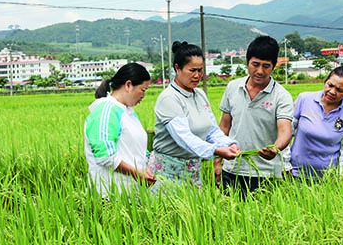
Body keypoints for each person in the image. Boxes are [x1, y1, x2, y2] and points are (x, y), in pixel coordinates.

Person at [147, 41, 239, 192]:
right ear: (177, 68)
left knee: (194, 213)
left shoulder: (200, 95)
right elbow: (185, 138)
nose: (197, 75)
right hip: (167, 173)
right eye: (192, 70)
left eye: (201, 70)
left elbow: (211, 131)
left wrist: (229, 144)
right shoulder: (169, 98)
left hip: (193, 172)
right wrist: (216, 150)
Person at [216, 35, 294, 195]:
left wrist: (275, 148)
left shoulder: (281, 95)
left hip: (266, 174)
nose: (259, 71)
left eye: (266, 66)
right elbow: (224, 127)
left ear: (274, 65)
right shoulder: (232, 87)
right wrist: (217, 161)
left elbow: (285, 131)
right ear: (247, 61)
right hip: (232, 169)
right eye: (255, 64)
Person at [84, 62, 156, 197]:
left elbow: (136, 147)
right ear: (128, 85)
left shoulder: (129, 112)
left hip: (131, 194)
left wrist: (145, 167)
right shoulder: (106, 110)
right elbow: (105, 156)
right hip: (109, 194)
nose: (143, 96)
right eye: (143, 90)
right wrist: (137, 174)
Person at [289, 65, 343, 180]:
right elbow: (287, 132)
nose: (332, 92)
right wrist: (284, 165)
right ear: (325, 81)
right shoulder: (304, 99)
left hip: (328, 178)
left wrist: (342, 175)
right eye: (330, 85)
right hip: (295, 174)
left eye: (339, 90)